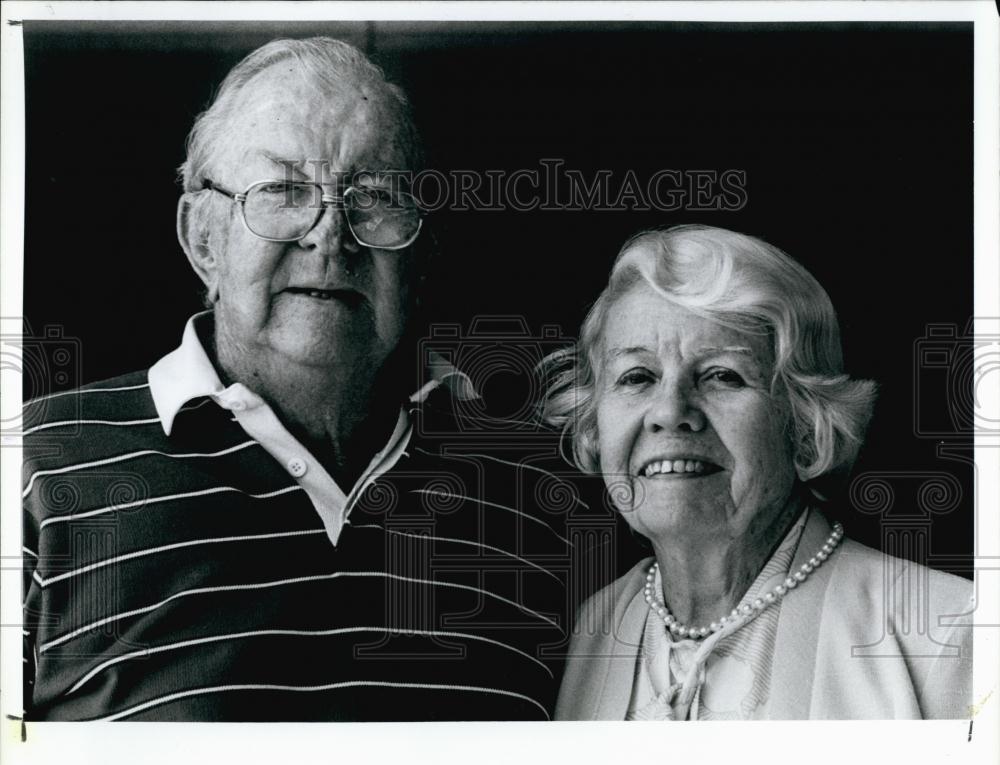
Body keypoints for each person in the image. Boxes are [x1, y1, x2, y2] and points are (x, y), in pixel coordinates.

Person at [21, 37, 574, 721]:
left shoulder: (539, 486)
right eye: (282, 190)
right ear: (203, 238)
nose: (329, 234)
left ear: (422, 251)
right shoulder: (36, 467)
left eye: (373, 196)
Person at [541, 225, 973, 720]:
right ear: (594, 423)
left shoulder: (948, 630)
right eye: (637, 377)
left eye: (723, 376)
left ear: (806, 422)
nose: (670, 411)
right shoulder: (582, 632)